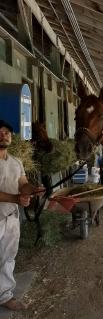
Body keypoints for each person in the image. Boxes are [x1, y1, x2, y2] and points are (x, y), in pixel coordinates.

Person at [0, 120, 44, 311]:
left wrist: (32, 189)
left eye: (7, 132)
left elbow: (22, 183)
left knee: (8, 257)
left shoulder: (16, 161)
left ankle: (4, 295)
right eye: (0, 132)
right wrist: (17, 198)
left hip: (11, 217)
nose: (4, 135)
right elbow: (16, 194)